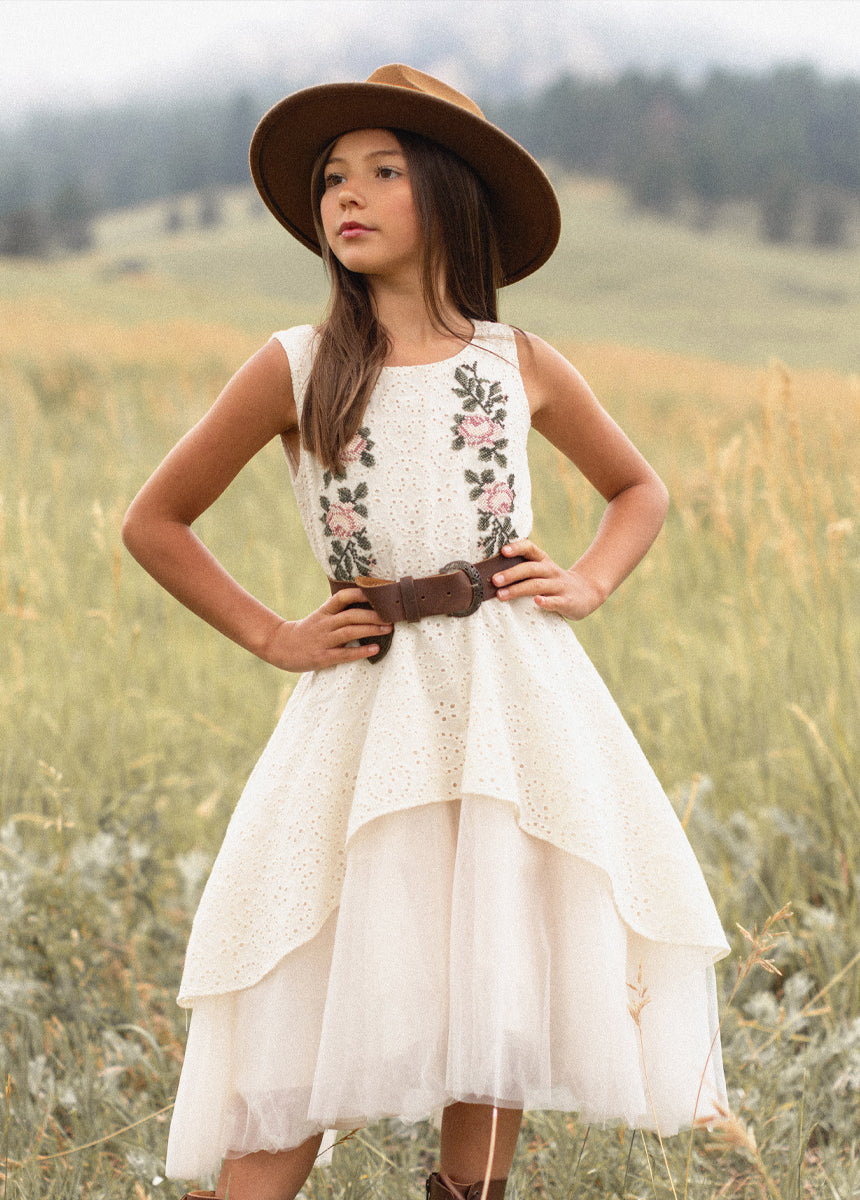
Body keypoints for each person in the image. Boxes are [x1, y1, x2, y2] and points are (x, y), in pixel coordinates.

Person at [122, 64, 729, 1200]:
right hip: (366, 711)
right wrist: (272, 635)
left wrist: (588, 584)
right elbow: (154, 521)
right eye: (330, 180)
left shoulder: (519, 363)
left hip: (511, 703)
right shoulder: (295, 367)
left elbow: (635, 489)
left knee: (490, 977)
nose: (345, 197)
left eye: (382, 171)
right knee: (305, 991)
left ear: (449, 194)